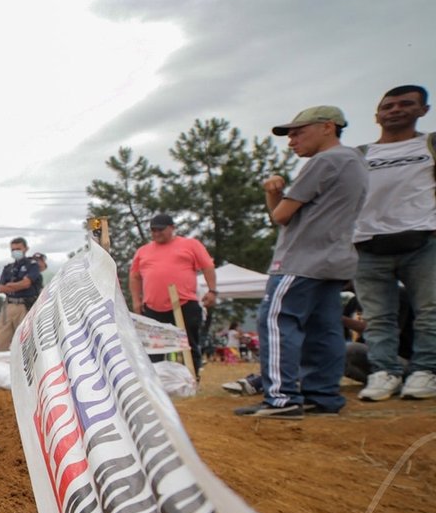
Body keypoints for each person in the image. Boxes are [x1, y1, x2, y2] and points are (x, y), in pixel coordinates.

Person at [236, 106, 368, 417]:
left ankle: (282, 398)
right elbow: (285, 215)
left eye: (298, 132)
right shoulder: (355, 161)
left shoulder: (325, 161)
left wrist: (275, 193)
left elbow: (281, 215)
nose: (292, 141)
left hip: (301, 260)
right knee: (325, 328)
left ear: (328, 127)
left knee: (276, 321)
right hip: (333, 258)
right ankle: (321, 396)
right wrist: (279, 194)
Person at [353, 84, 436, 402]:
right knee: (377, 317)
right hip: (369, 245)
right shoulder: (361, 154)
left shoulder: (429, 145)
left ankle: (425, 371)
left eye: (406, 104)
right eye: (388, 106)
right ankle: (383, 372)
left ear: (423, 110)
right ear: (377, 115)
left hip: (422, 241)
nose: (396, 110)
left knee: (429, 311)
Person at [129, 214, 218, 377]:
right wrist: (136, 300)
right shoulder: (143, 251)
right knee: (154, 348)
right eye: (153, 230)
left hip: (184, 303)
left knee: (189, 344)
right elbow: (135, 276)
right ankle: (158, 381)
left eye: (160, 229)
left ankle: (192, 378)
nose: (156, 233)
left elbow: (207, 266)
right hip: (153, 307)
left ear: (172, 228)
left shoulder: (190, 245)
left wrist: (212, 291)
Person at [0, 237, 42, 351]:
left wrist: (10, 285)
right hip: (9, 306)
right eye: (13, 249)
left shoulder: (32, 265)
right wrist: (17, 284)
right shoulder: (8, 268)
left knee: (25, 341)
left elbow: (26, 283)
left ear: (26, 249)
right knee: (1, 341)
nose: (15, 252)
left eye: (18, 249)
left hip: (25, 306)